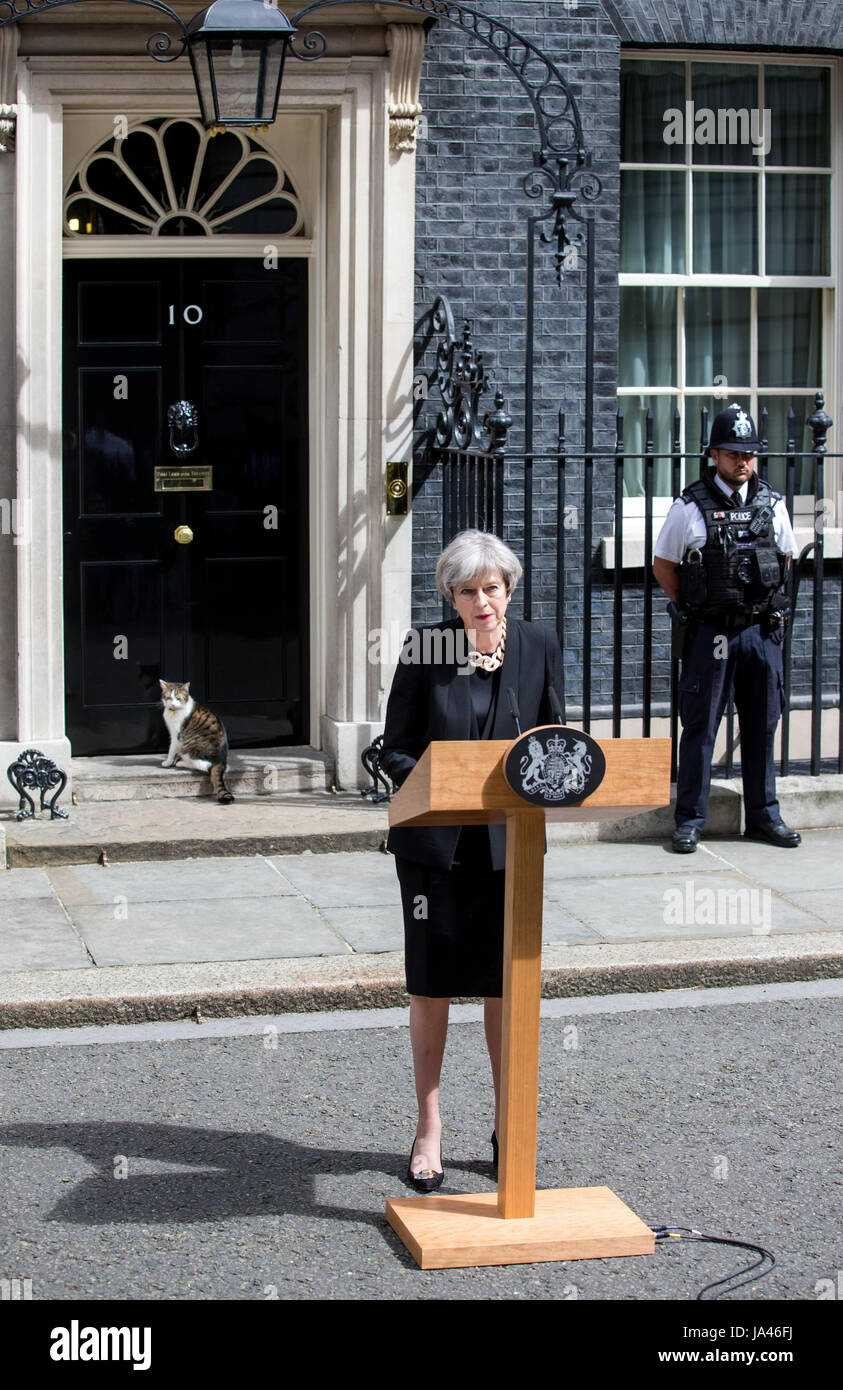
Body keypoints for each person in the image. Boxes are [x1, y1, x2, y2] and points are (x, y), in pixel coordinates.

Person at [379, 529, 564, 1191]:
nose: (481, 602)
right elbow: (392, 749)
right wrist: (436, 779)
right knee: (432, 984)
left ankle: (505, 1123)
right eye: (467, 590)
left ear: (508, 590)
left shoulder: (538, 644)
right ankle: (428, 1127)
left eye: (491, 588)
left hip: (509, 847)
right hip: (435, 848)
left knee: (501, 985)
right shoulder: (426, 647)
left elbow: (556, 742)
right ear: (450, 596)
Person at [653, 403, 801, 854]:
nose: (744, 462)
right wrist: (697, 606)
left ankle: (763, 816)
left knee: (763, 724)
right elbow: (664, 566)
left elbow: (786, 559)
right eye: (735, 453)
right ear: (713, 454)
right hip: (711, 631)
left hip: (759, 630)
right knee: (701, 726)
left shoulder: (772, 504)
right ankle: (691, 820)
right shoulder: (690, 506)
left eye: (750, 453)